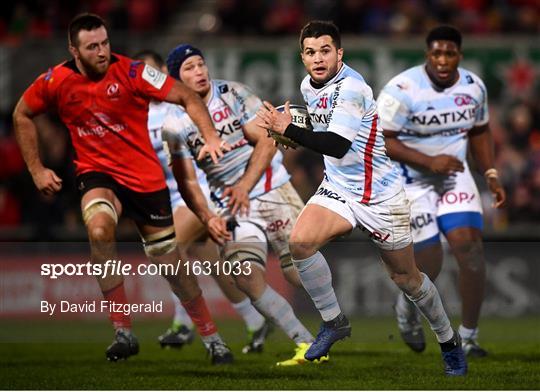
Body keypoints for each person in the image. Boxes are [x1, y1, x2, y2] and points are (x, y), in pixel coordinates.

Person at [12, 13, 233, 364]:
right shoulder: (55, 80)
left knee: (170, 263)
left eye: (105, 43)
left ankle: (211, 336)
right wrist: (37, 169)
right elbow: (22, 113)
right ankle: (123, 331)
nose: (101, 51)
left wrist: (210, 137)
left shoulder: (133, 72)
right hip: (97, 174)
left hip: (144, 179)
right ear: (74, 50)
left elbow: (188, 97)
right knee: (99, 229)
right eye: (92, 46)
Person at [257, 20, 467, 376]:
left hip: (381, 196)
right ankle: (334, 322)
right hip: (339, 188)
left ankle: (449, 341)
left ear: (340, 53)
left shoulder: (352, 87)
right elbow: (325, 132)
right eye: (310, 52)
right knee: (301, 242)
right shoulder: (309, 85)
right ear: (302, 57)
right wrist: (294, 131)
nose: (318, 58)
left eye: (325, 50)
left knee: (407, 279)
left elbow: (337, 145)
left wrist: (288, 129)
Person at [161, 44, 324, 366]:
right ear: (177, 80)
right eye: (189, 68)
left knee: (296, 272)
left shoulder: (233, 94)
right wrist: (207, 217)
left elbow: (264, 139)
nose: (200, 72)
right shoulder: (173, 126)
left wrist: (244, 186)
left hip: (273, 189)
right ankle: (306, 345)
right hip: (232, 207)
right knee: (245, 277)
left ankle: (335, 321)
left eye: (201, 64)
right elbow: (188, 182)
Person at [376, 25, 506, 357]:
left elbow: (479, 130)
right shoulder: (402, 89)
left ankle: (470, 336)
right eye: (437, 53)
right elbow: (382, 139)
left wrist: (490, 172)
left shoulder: (473, 87)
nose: (443, 60)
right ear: (427, 55)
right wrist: (427, 160)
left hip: (454, 175)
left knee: (469, 248)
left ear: (459, 56)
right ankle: (406, 311)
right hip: (410, 179)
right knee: (428, 263)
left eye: (450, 53)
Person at [133, 49, 271, 354]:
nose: (148, 79)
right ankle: (255, 320)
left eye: (152, 72)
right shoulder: (136, 113)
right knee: (212, 260)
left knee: (168, 249)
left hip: (199, 194)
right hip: (165, 200)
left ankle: (184, 324)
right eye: (141, 74)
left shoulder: (182, 105)